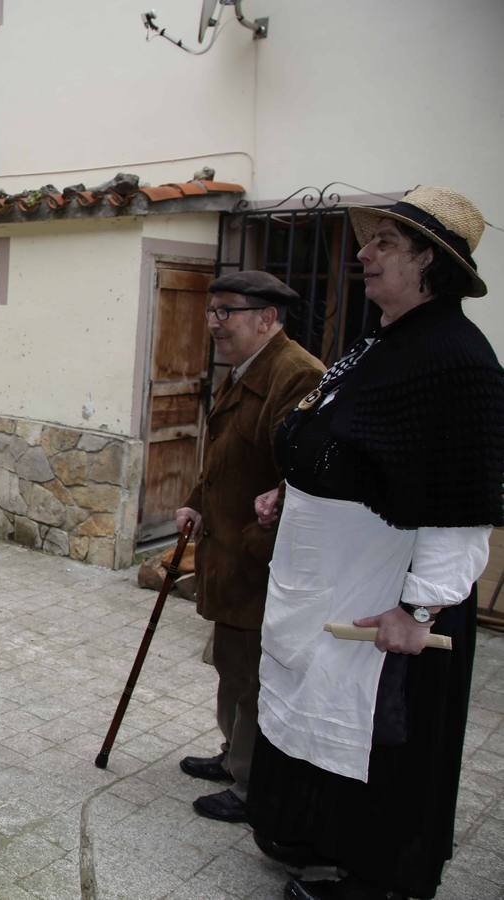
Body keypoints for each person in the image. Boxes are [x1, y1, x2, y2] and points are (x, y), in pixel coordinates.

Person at [247, 187, 503, 900]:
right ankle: (317, 839)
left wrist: (418, 610)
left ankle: (375, 882)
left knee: (381, 741)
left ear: (431, 261)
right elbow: (344, 444)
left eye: (386, 243)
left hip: (382, 603)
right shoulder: (382, 343)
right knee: (319, 717)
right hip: (325, 581)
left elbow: (462, 505)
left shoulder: (456, 360)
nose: (363, 253)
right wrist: (288, 488)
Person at [174, 271, 323, 824]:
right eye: (211, 311)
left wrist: (255, 543)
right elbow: (226, 453)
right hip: (233, 552)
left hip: (261, 560)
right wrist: (195, 499)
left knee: (257, 675)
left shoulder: (296, 376)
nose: (214, 323)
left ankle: (251, 783)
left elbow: (304, 478)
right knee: (232, 664)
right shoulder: (247, 369)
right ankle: (232, 754)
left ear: (266, 319)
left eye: (227, 312)